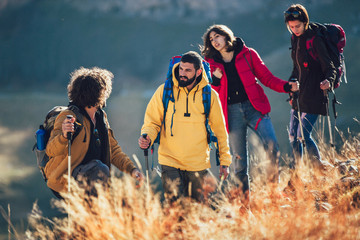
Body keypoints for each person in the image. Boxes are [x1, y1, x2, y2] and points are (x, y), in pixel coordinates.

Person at [201, 24, 299, 195]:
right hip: (231, 114)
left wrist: (286, 86)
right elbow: (210, 94)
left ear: (226, 36)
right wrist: (215, 80)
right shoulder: (210, 64)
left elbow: (266, 77)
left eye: (217, 36)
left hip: (255, 108)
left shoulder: (248, 54)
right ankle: (244, 201)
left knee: (272, 146)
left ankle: (273, 189)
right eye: (211, 39)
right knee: (239, 162)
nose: (214, 41)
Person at [138, 51, 231, 203]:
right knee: (176, 208)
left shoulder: (209, 95)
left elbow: (220, 131)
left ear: (198, 72)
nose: (182, 73)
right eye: (181, 69)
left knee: (196, 209)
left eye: (188, 70)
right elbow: (152, 122)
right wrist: (147, 136)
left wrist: (225, 161)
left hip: (198, 163)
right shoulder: (164, 91)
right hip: (170, 160)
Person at [45, 67, 144, 198]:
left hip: (93, 180)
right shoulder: (69, 116)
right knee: (100, 169)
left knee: (101, 178)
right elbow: (51, 150)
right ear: (98, 93)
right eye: (104, 91)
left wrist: (132, 170)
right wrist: (63, 136)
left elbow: (113, 150)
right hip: (67, 178)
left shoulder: (101, 117)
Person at [284, 4, 336, 169]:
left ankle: (319, 170)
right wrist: (291, 82)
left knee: (302, 135)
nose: (295, 30)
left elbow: (329, 66)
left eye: (297, 26)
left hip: (315, 93)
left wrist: (329, 80)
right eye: (291, 27)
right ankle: (296, 174)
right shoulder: (295, 38)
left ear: (305, 22)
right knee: (292, 135)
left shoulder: (315, 39)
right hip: (299, 93)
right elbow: (296, 67)